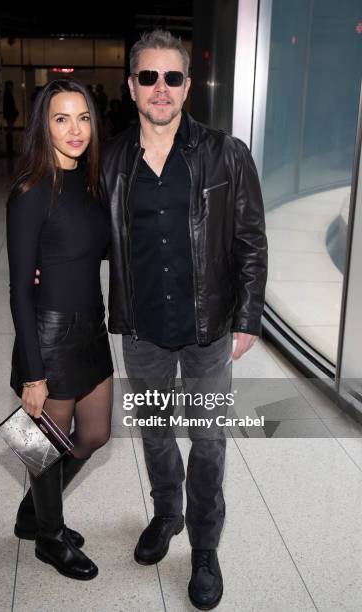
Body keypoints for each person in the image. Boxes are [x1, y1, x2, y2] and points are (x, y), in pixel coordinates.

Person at [101, 30, 268, 610]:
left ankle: (203, 546)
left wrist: (248, 315)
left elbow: (250, 239)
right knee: (154, 432)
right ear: (132, 86)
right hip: (142, 329)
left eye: (172, 77)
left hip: (207, 329)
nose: (161, 89)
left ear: (188, 85)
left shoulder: (226, 152)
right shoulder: (114, 159)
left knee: (208, 440)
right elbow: (92, 234)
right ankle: (166, 513)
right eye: (148, 77)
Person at [7, 78, 113, 581]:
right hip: (50, 334)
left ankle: (34, 511)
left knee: (93, 434)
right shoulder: (30, 192)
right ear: (43, 127)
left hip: (92, 327)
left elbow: (100, 249)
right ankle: (49, 535)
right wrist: (33, 372)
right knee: (45, 445)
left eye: (84, 117)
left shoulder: (90, 183)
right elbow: (18, 290)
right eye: (62, 118)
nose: (76, 130)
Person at [3, 80, 19, 157]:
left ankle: (9, 148)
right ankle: (9, 148)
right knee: (9, 131)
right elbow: (9, 107)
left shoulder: (8, 94)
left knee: (10, 131)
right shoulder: (8, 95)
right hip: (10, 115)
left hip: (10, 115)